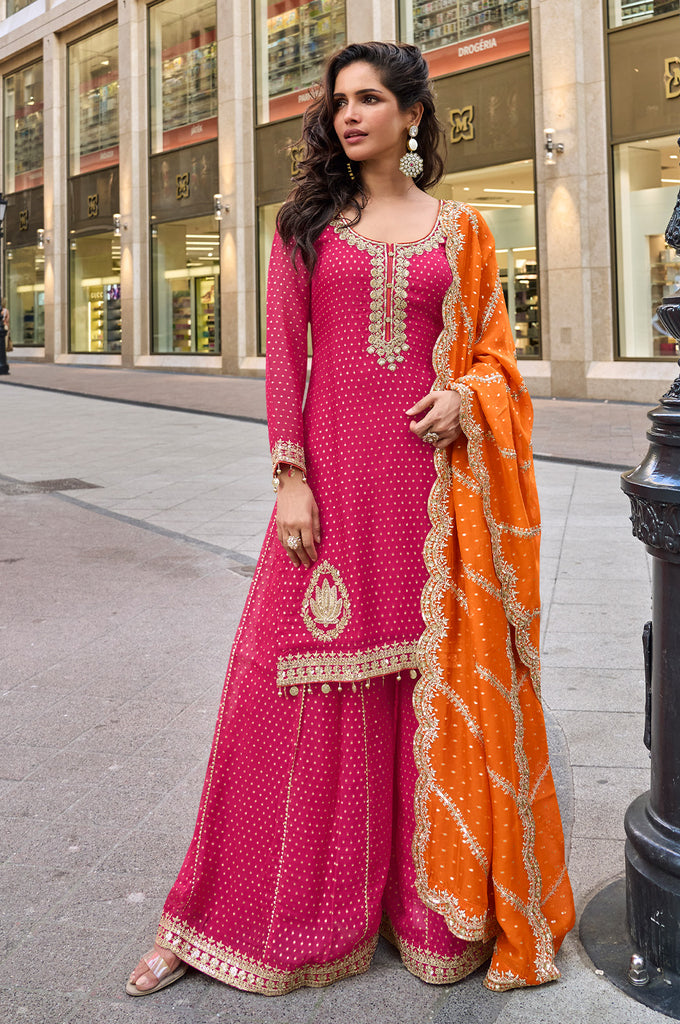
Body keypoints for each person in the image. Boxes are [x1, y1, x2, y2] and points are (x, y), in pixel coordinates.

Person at [127, 41, 575, 999]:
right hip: (330, 491)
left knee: (424, 689)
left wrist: (466, 396)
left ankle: (426, 909)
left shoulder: (463, 232)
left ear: (414, 114)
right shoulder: (308, 225)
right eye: (340, 102)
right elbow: (286, 363)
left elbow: (496, 353)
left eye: (372, 99)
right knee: (279, 688)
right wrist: (290, 478)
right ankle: (224, 915)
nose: (351, 115)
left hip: (433, 502)